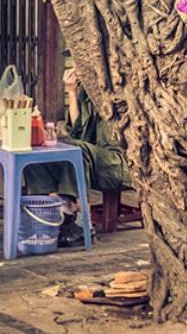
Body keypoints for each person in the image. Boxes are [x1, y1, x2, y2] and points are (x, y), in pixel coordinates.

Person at [24, 67, 129, 247]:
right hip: (91, 157)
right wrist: (72, 92)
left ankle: (78, 218)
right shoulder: (87, 90)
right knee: (36, 154)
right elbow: (78, 132)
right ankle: (48, 213)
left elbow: (81, 143)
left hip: (118, 162)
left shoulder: (120, 88)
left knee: (76, 150)